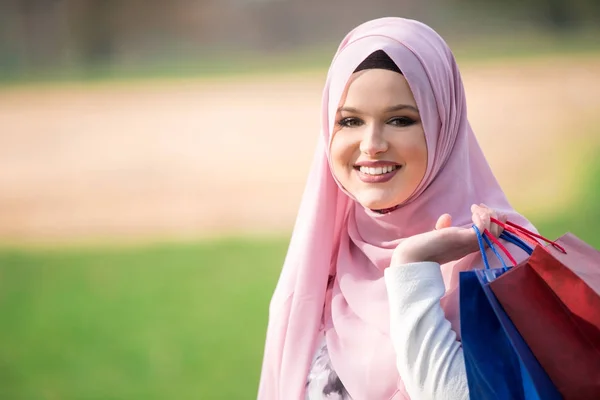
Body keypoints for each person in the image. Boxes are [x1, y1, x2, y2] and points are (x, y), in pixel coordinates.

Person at [258, 17, 536, 400]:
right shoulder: (317, 269)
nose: (371, 144)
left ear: (444, 126)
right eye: (350, 121)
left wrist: (410, 270)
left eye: (400, 120)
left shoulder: (505, 261)